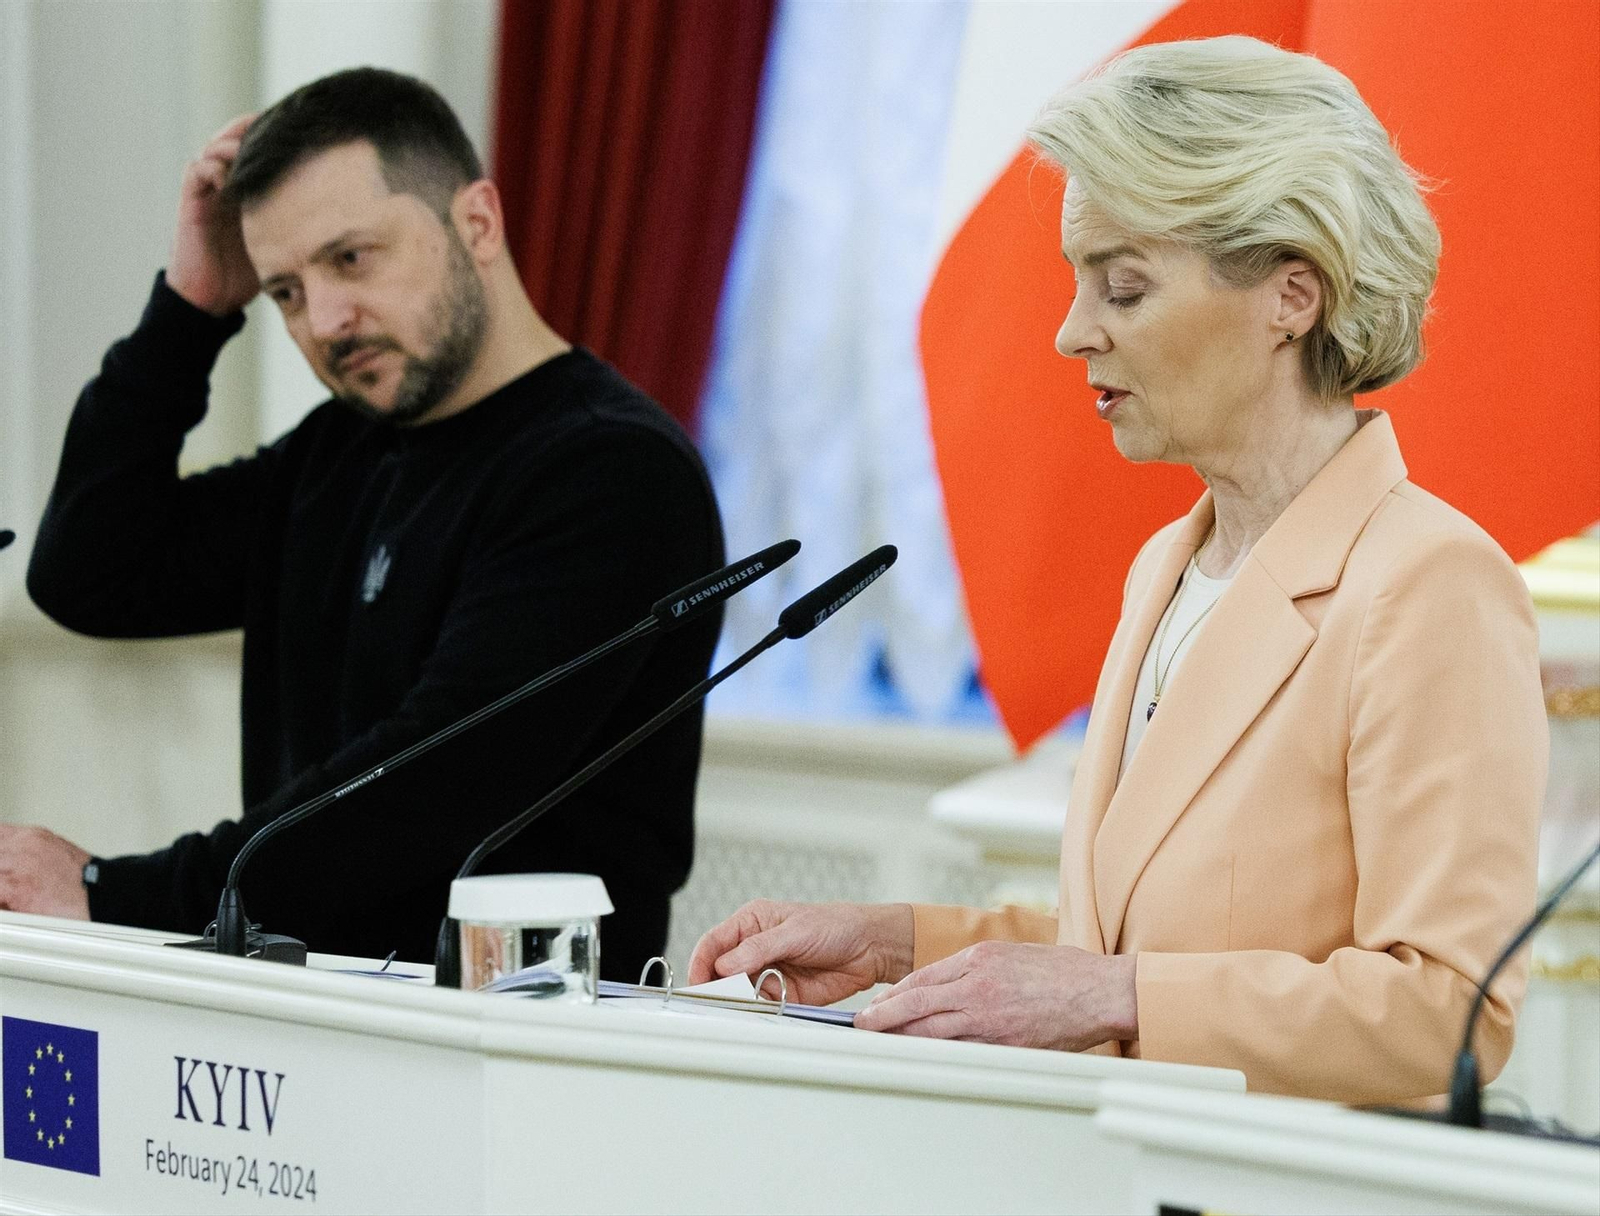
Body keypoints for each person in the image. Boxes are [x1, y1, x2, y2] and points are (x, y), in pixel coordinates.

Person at [690, 37, 1546, 1104]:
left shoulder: (1429, 584)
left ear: (1293, 294)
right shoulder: (1164, 568)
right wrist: (891, 942)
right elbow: (1130, 943)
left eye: (1123, 288)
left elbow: (1442, 1012)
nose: (1068, 332)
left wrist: (1114, 997)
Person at [4, 68, 725, 978]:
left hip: (514, 1059)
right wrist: (191, 309)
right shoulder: (340, 450)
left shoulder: (610, 470)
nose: (326, 320)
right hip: (319, 1031)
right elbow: (89, 571)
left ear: (478, 223)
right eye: (285, 293)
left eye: (351, 258)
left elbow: (428, 786)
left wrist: (122, 894)